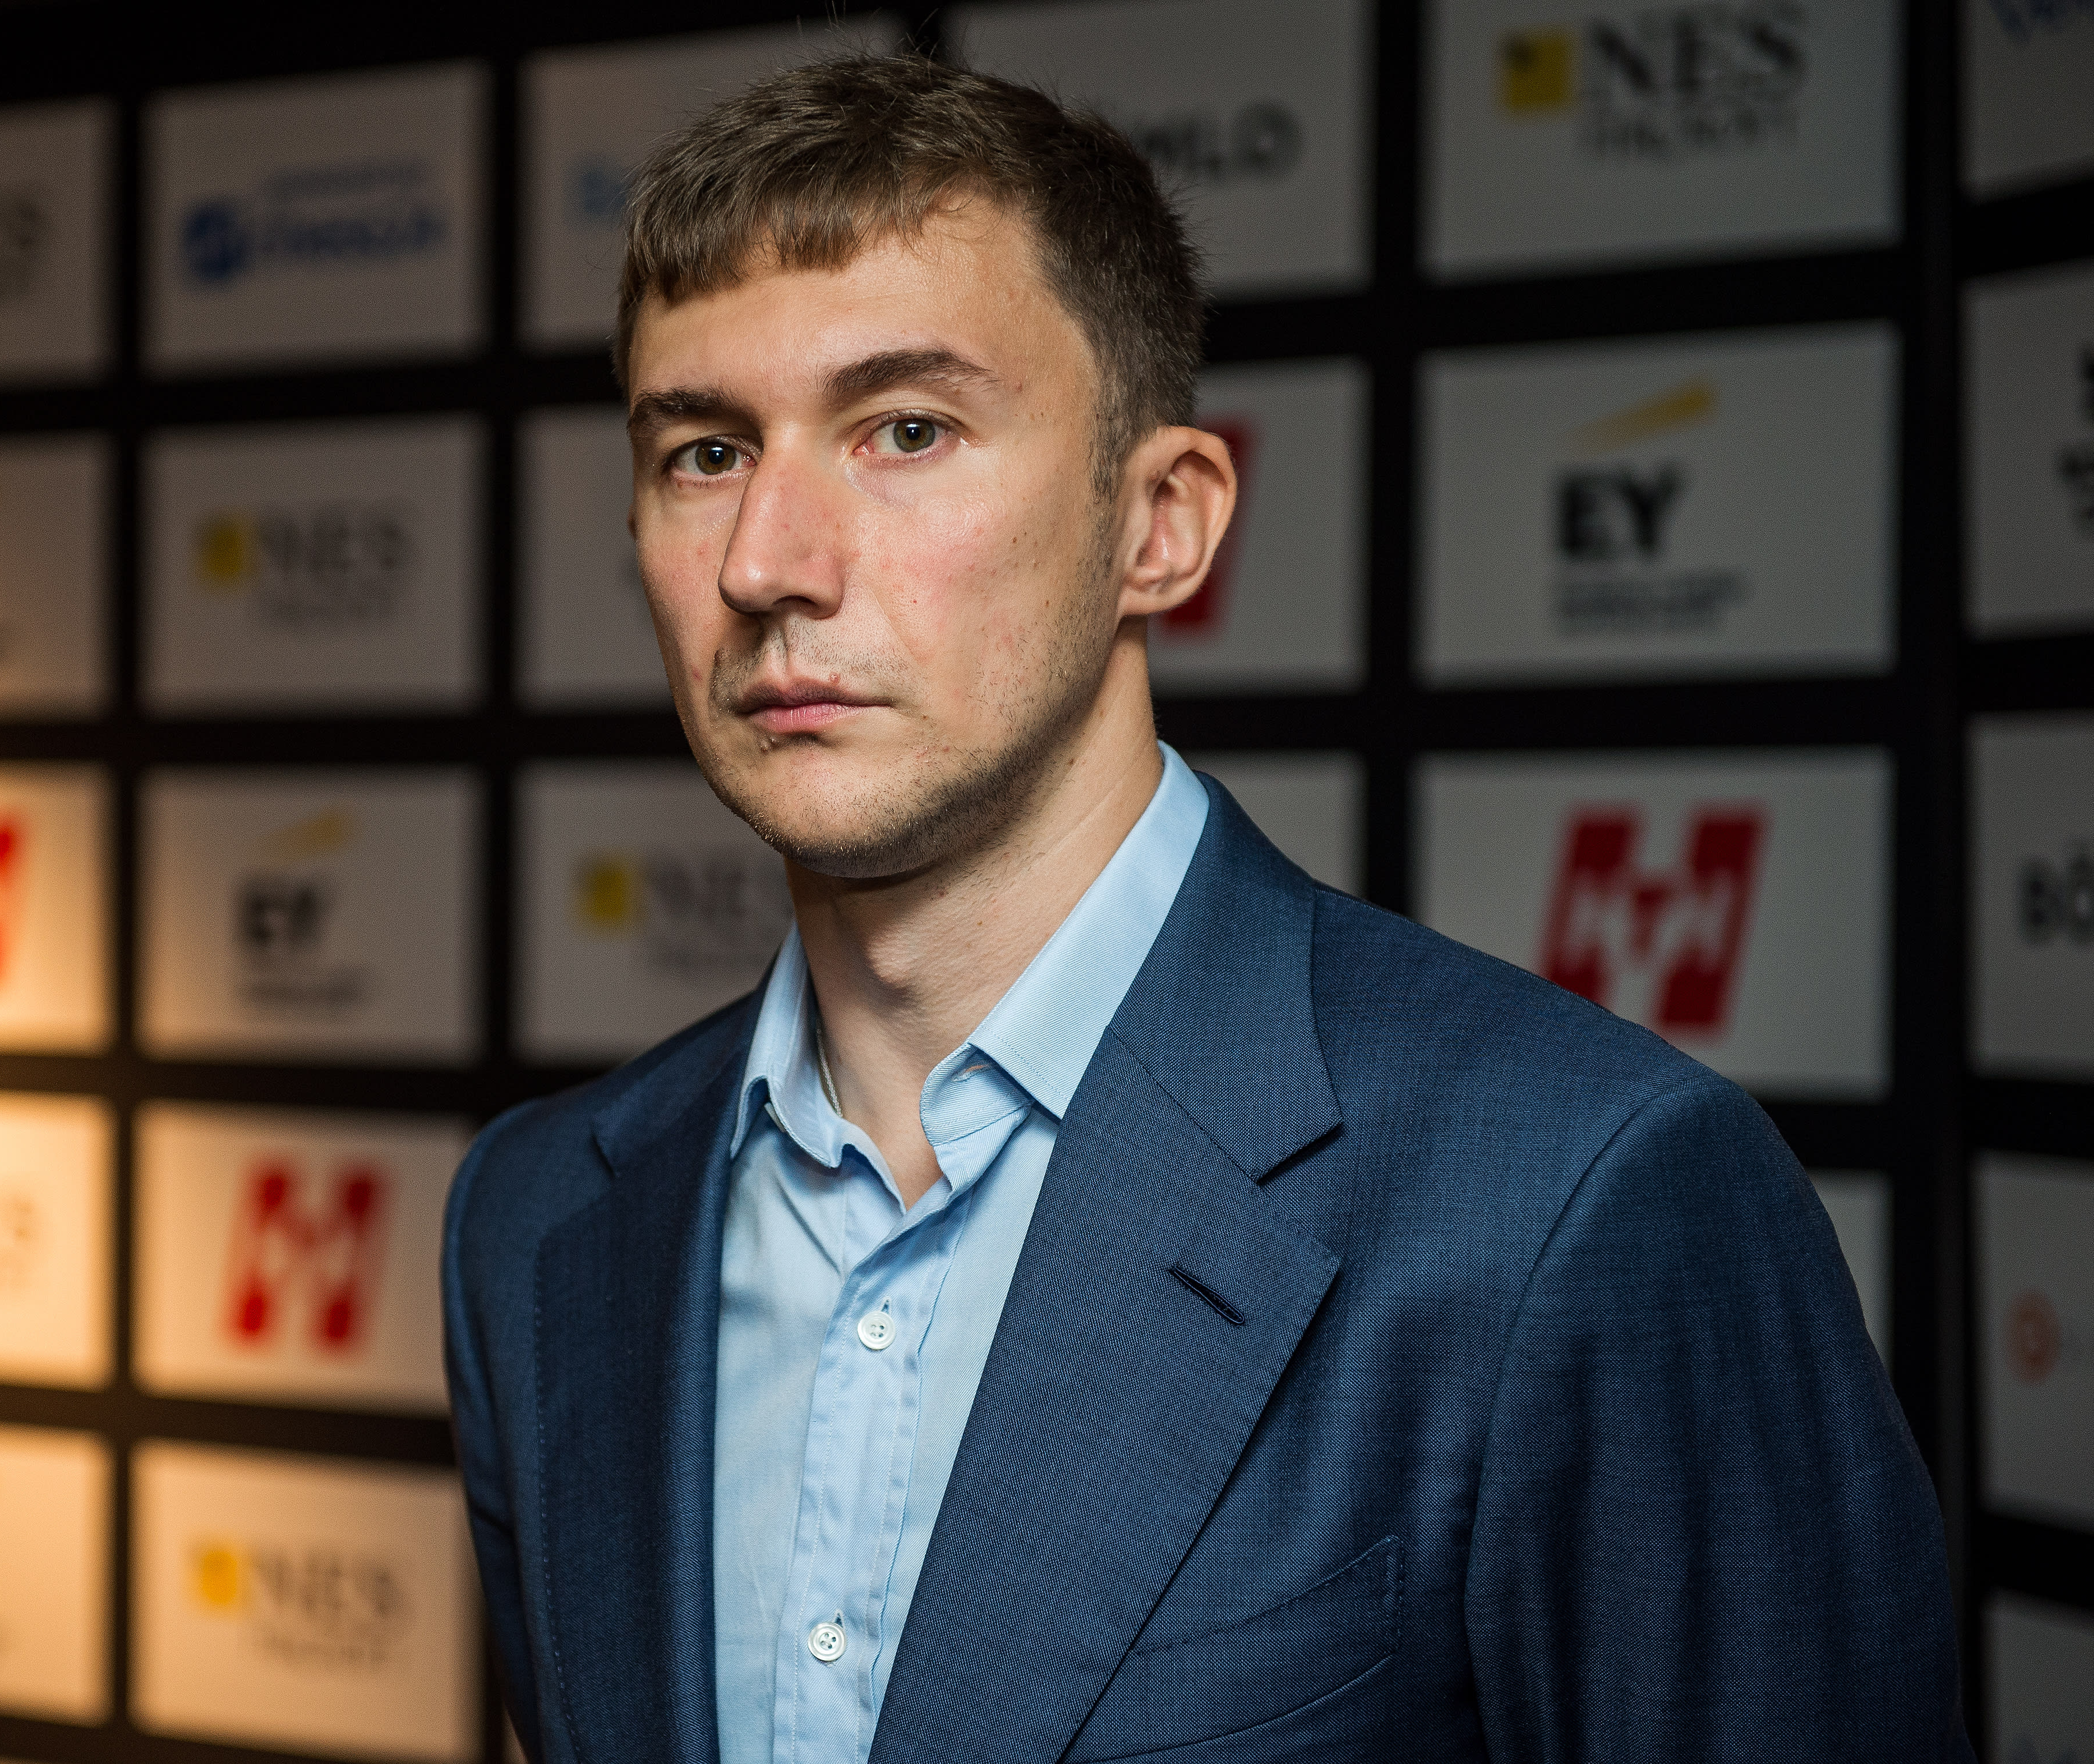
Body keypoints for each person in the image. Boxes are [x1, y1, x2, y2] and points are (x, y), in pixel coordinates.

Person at [444, 52, 1966, 1764]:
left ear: (1160, 524)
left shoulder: (1578, 1200)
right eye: (707, 451)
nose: (768, 563)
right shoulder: (539, 1224)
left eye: (907, 430)